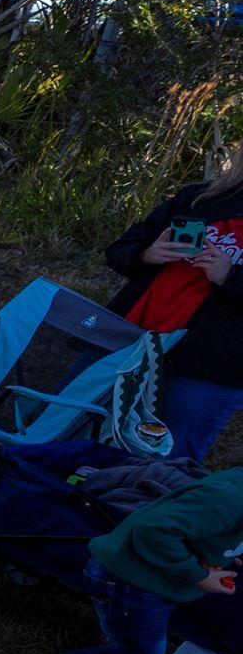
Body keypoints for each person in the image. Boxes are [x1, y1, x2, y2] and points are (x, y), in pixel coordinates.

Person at [1, 466, 243, 654]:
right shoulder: (229, 497)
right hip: (131, 581)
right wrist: (199, 575)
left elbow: (205, 527)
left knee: (130, 643)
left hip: (151, 582)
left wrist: (224, 549)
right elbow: (155, 529)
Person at [103, 156, 243, 457]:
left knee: (163, 458)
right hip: (129, 339)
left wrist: (230, 276)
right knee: (78, 429)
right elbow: (119, 250)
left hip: (210, 367)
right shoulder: (201, 198)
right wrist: (147, 254)